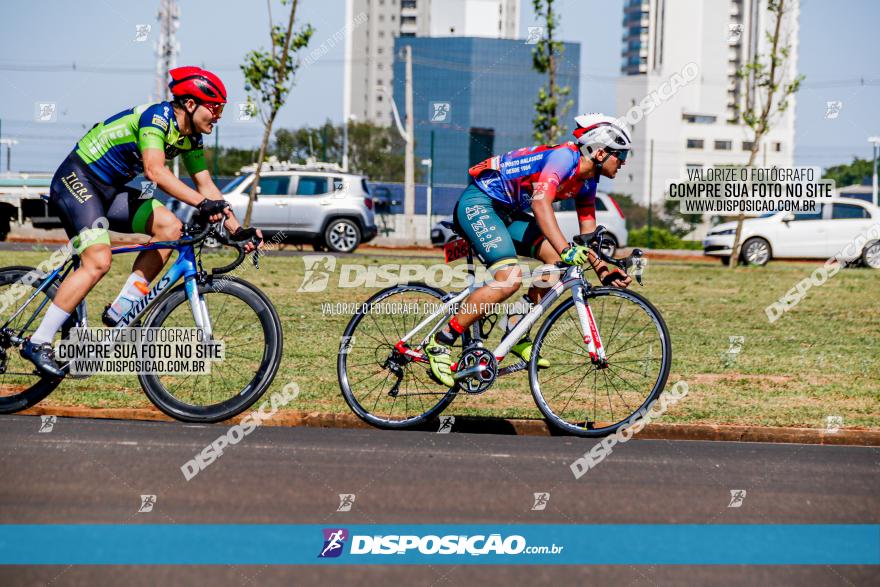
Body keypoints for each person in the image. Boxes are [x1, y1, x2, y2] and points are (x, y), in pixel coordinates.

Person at [21, 66, 262, 377]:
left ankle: (124, 306)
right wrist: (203, 205)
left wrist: (236, 228)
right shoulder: (157, 118)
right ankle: (37, 342)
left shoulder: (190, 138)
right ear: (190, 104)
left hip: (111, 191)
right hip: (78, 179)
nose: (217, 116)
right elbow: (155, 172)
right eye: (214, 108)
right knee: (97, 261)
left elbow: (207, 186)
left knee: (171, 228)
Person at [425, 113, 634, 386]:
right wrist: (566, 248)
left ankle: (514, 326)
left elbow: (587, 233)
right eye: (620, 156)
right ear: (600, 153)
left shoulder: (588, 181)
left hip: (506, 213)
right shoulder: (563, 159)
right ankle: (441, 341)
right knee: (509, 278)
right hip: (480, 203)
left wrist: (604, 270)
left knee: (559, 264)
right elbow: (540, 204)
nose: (623, 163)